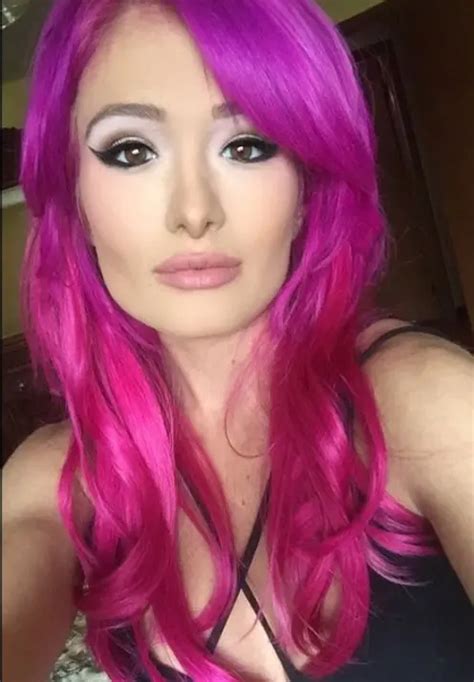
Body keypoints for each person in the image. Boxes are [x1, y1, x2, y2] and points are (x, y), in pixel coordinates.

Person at [2, 1, 473, 681]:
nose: (194, 212)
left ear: (307, 188)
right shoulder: (59, 481)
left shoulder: (425, 401)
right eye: (131, 151)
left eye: (248, 146)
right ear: (75, 200)